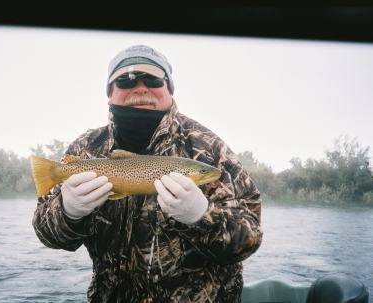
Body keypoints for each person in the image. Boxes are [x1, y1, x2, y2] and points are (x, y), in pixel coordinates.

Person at [33, 45, 262, 303]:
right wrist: (67, 211)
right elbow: (47, 234)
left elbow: (249, 238)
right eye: (126, 80)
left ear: (169, 89)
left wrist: (202, 217)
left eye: (152, 79)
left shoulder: (208, 149)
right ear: (110, 94)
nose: (140, 88)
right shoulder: (86, 149)